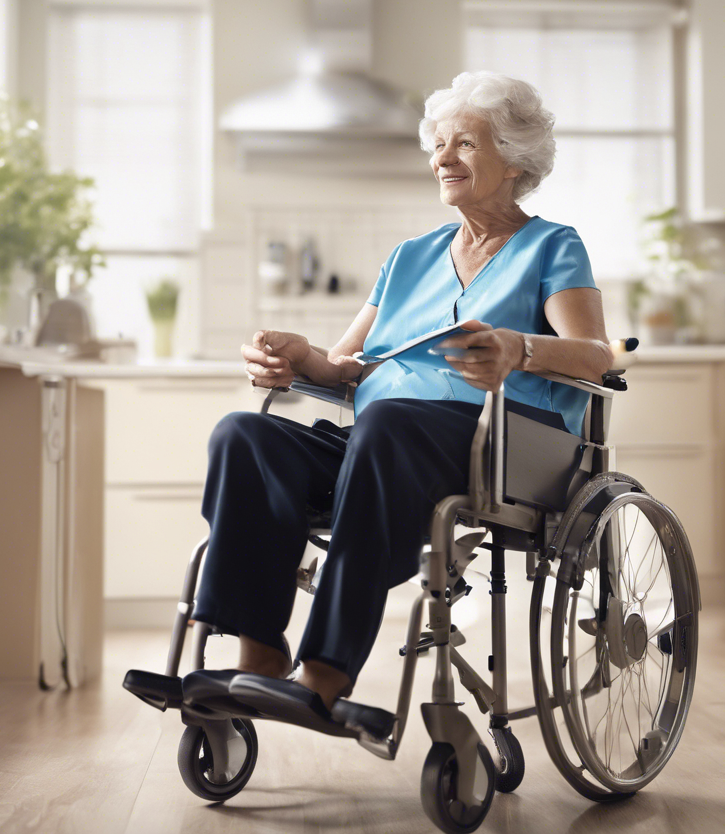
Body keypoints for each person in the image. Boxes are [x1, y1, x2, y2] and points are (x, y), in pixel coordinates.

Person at [190, 70, 614, 720]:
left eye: (465, 145)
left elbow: (597, 356)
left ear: (514, 161)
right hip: (382, 445)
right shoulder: (409, 257)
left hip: (495, 448)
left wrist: (516, 348)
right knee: (242, 436)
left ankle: (326, 669)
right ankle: (260, 652)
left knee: (386, 423)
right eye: (439, 145)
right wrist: (301, 358)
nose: (443, 158)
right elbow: (344, 366)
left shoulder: (552, 246)